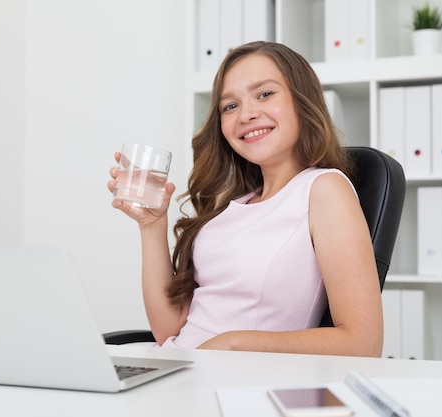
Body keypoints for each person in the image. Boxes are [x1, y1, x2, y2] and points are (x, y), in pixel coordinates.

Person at [107, 41, 382, 357]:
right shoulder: (232, 206)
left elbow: (363, 343)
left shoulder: (323, 189)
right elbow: (169, 332)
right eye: (230, 106)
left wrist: (234, 344)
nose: (246, 114)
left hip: (234, 383)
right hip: (182, 368)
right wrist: (153, 225)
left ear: (302, 100)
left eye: (265, 94)